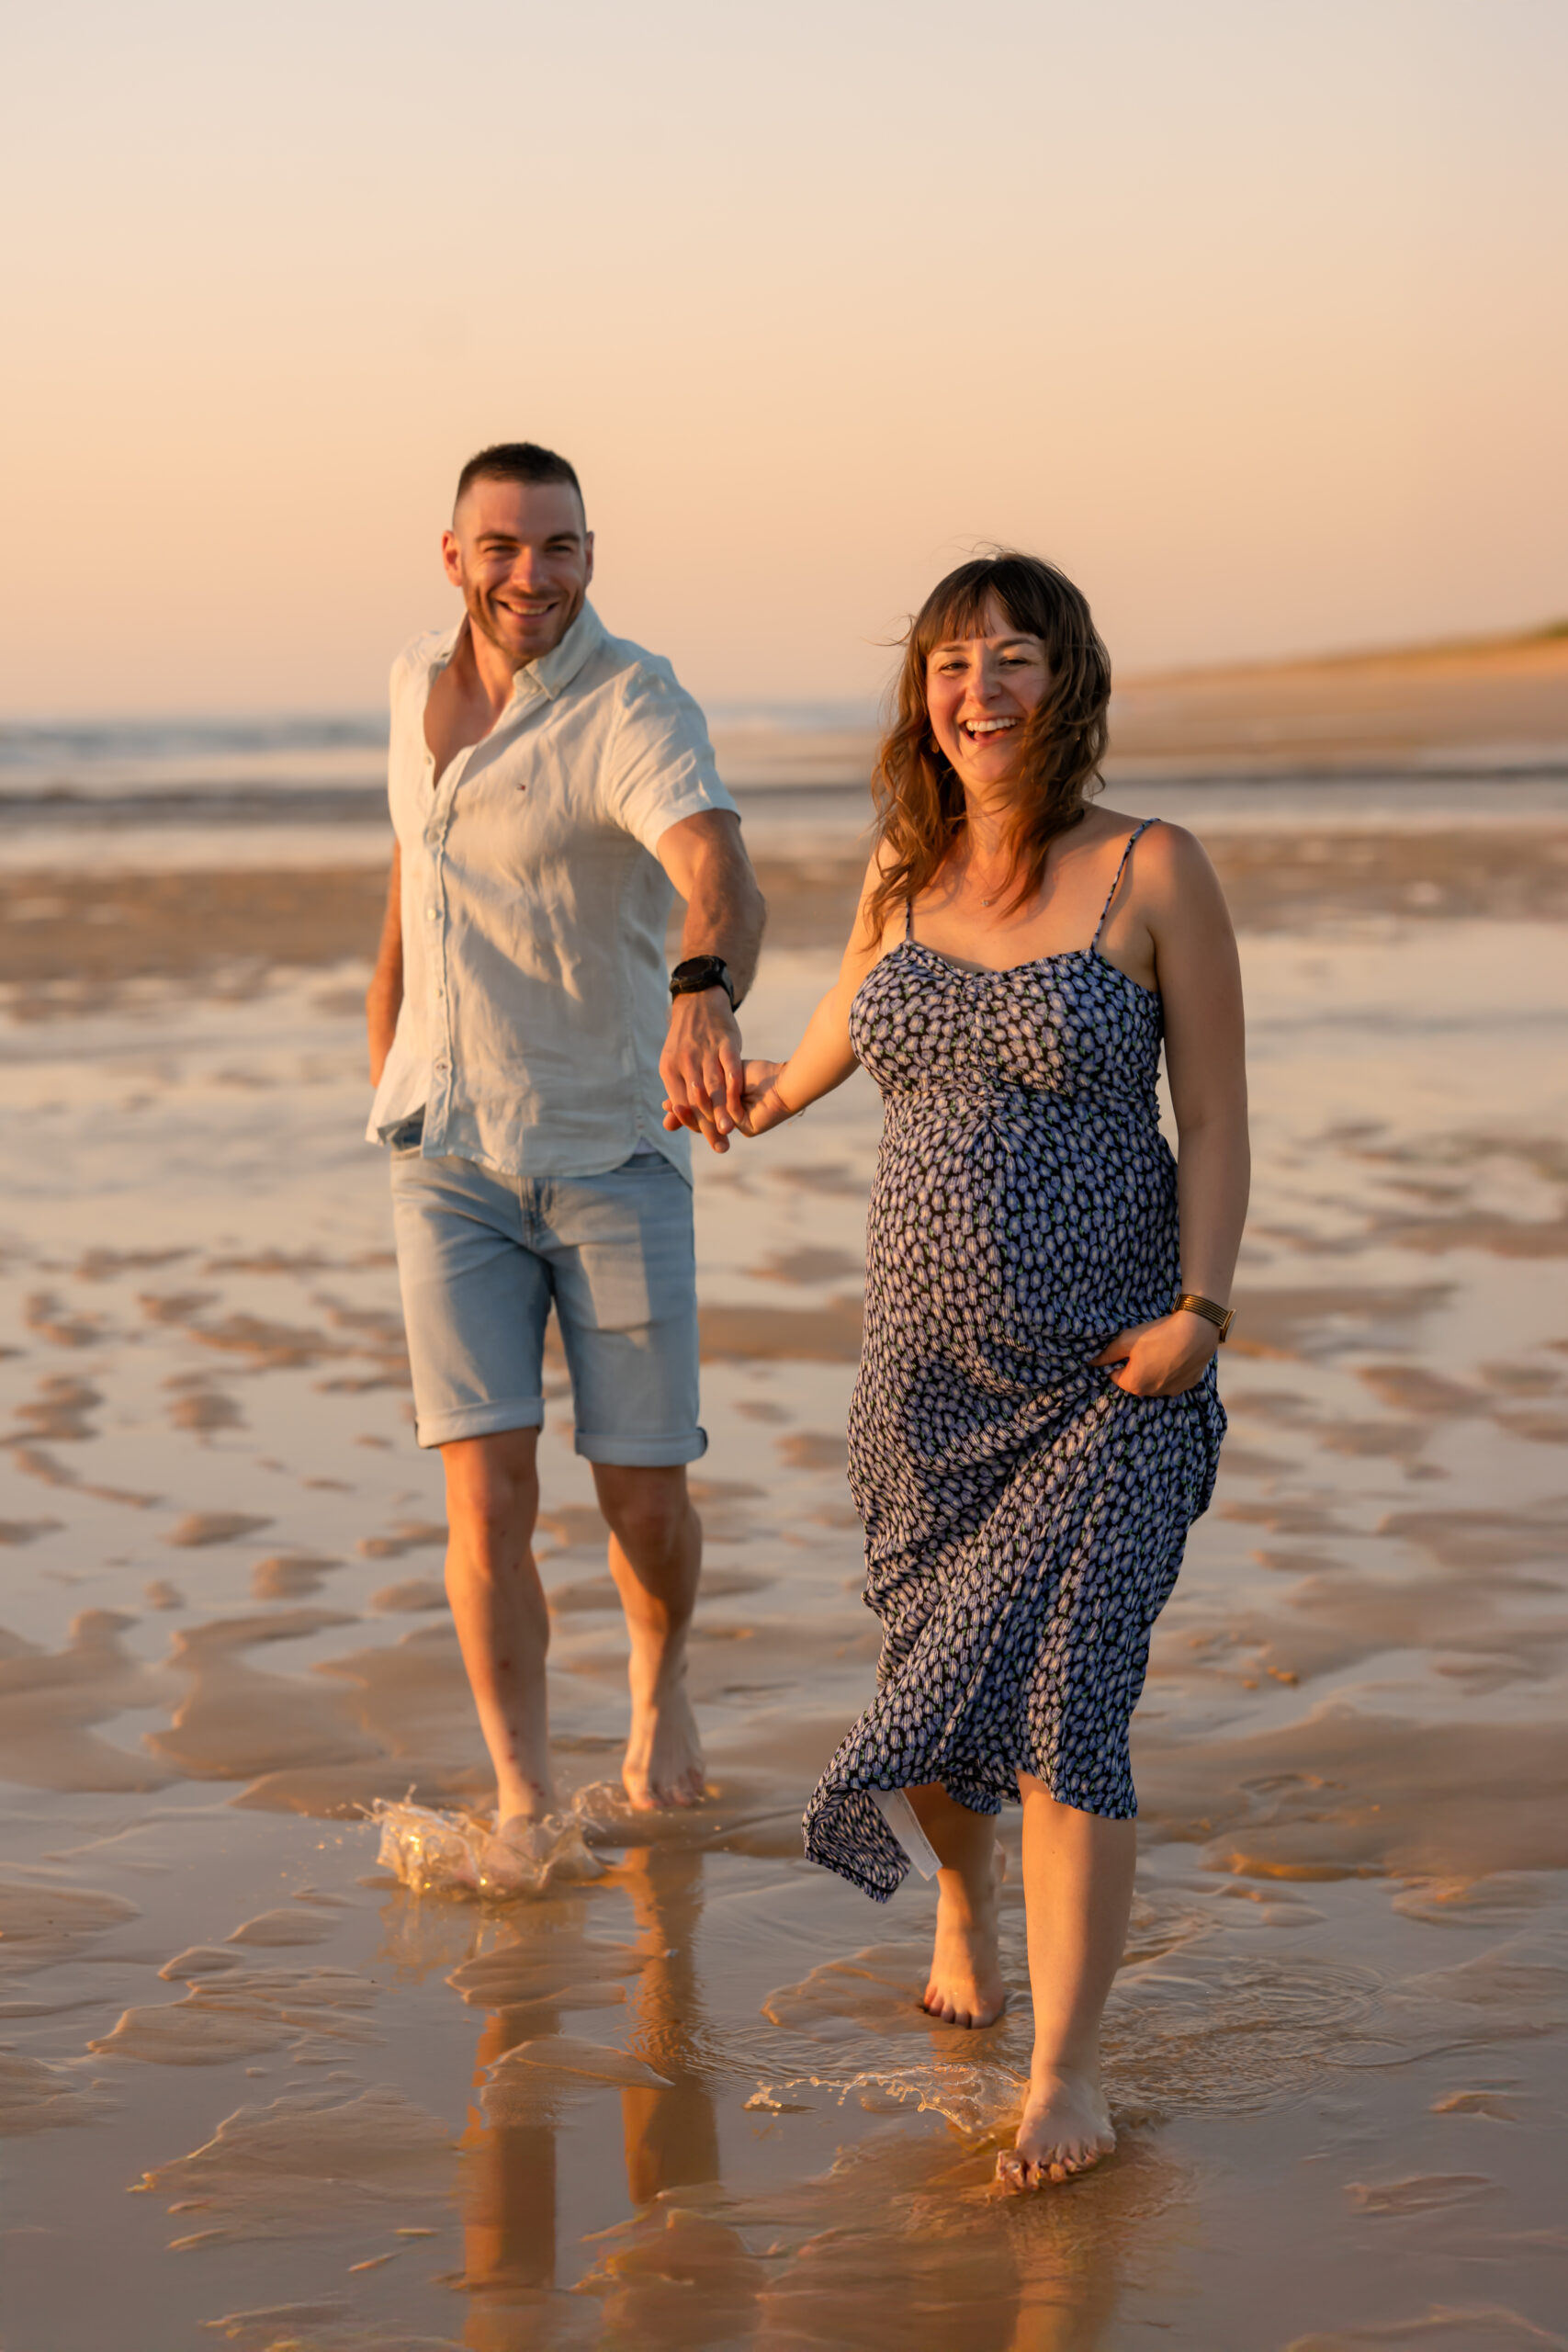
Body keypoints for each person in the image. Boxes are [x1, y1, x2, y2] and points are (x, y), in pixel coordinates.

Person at [724, 553, 1247, 2190]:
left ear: (1065, 679)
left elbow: (1216, 1113)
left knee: (1070, 1706)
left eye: (1013, 656)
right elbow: (840, 1025)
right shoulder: (906, 870)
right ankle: (965, 1899)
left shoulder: (1153, 868)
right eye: (953, 662)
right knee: (934, 1685)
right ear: (925, 696)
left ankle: (1065, 2077)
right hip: (923, 1388)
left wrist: (1204, 1312)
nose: (981, 689)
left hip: (1111, 1378)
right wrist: (749, 1094)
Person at [366, 440, 765, 1868]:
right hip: (446, 1160)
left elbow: (718, 869)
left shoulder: (632, 703)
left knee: (643, 1497)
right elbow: (412, 874)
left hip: (609, 1153)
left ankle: (660, 1693)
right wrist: (388, 1050)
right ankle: (524, 1796)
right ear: (454, 555)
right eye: (503, 546)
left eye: (559, 547)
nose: (531, 575)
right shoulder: (410, 687)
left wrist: (703, 991)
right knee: (486, 1495)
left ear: (592, 555)